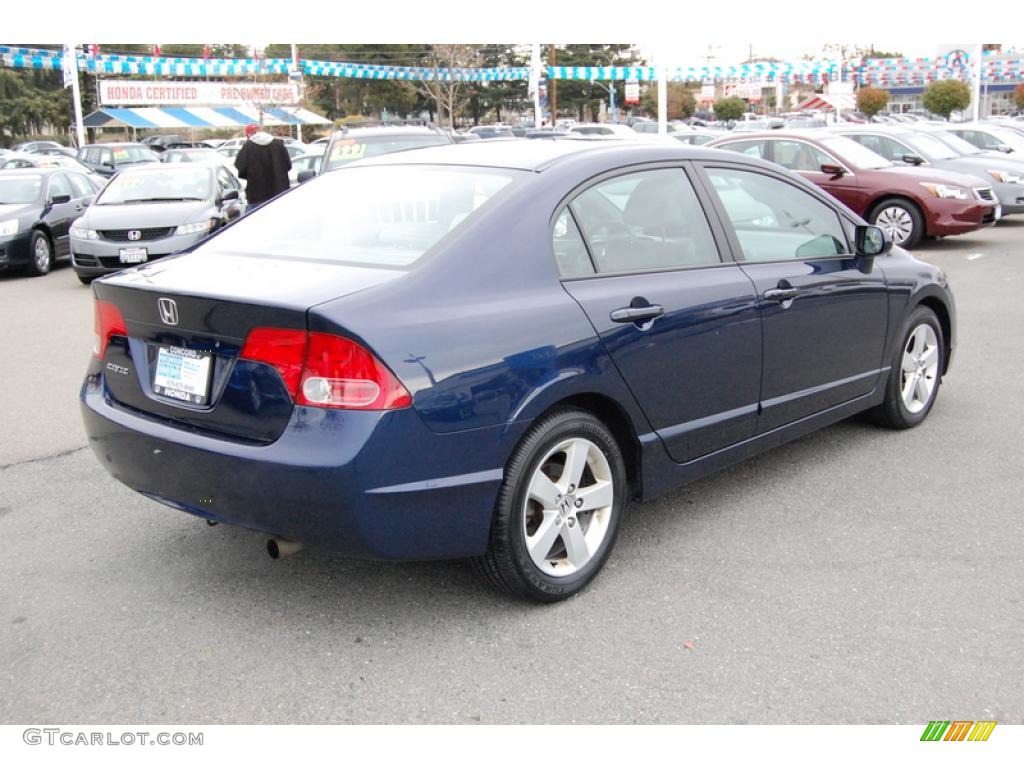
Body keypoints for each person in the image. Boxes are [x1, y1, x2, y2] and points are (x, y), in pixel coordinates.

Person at [233, 123, 292, 207]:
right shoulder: (278, 144)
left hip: (257, 195)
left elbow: (241, 168)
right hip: (280, 194)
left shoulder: (248, 147)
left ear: (248, 134)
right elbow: (288, 165)